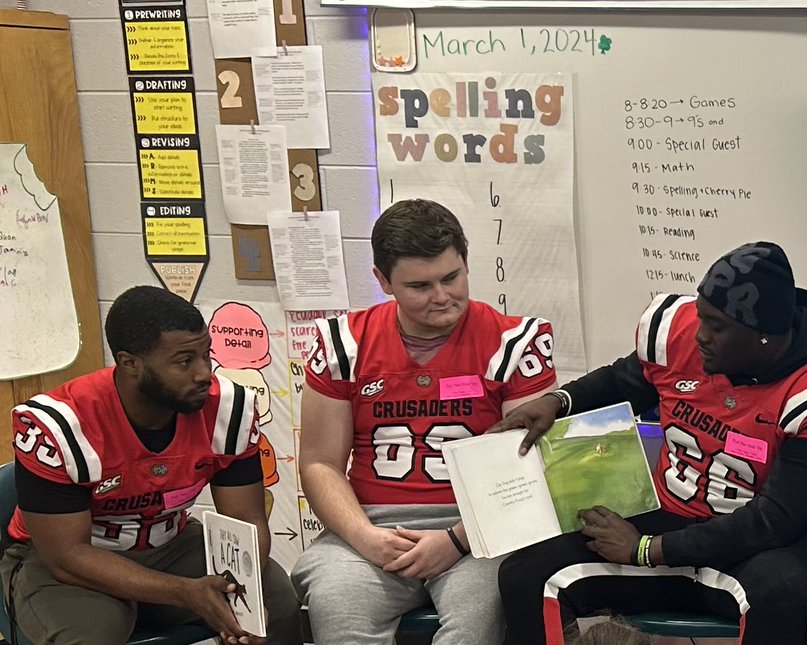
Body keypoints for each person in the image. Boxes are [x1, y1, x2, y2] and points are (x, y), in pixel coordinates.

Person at [492, 242, 807, 645]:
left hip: (757, 547)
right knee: (525, 575)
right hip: (667, 512)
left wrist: (646, 550)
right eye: (700, 317)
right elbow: (623, 381)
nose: (700, 335)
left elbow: (774, 519)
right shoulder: (681, 333)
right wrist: (557, 401)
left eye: (717, 327)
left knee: (780, 593)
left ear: (763, 337)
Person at [291, 199, 558, 645]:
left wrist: (454, 541)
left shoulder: (513, 343)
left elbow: (528, 471)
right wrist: (365, 538)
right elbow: (319, 463)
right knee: (338, 606)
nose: (442, 296)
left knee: (481, 617)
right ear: (382, 280)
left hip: (479, 532)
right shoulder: (344, 344)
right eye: (419, 285)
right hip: (372, 525)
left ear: (466, 262)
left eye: (451, 277)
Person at [0, 286, 302, 645]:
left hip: (170, 542)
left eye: (206, 355)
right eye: (184, 361)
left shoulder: (229, 409)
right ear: (130, 363)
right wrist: (185, 592)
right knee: (92, 635)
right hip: (72, 562)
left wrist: (246, 594)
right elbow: (66, 556)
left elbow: (246, 520)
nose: (204, 373)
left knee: (277, 600)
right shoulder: (59, 425)